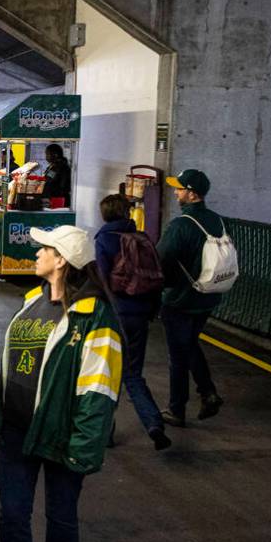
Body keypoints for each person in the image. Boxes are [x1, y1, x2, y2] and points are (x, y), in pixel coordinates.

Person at [0, 225, 122, 542]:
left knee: (61, 517)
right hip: (16, 432)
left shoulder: (95, 319)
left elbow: (98, 392)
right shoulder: (31, 301)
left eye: (43, 248)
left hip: (61, 435)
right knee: (12, 515)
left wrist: (83, 449)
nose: (35, 253)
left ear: (61, 260)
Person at [95, 193, 170, 451]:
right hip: (140, 314)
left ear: (105, 214)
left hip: (116, 314)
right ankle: (153, 423)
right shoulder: (143, 238)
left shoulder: (104, 238)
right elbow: (157, 277)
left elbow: (103, 280)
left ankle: (106, 433)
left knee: (107, 374)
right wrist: (151, 310)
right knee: (133, 373)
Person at [157, 169, 226, 428]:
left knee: (178, 355)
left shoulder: (181, 225)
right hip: (209, 296)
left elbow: (160, 259)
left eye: (179, 188)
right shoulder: (218, 220)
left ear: (192, 193)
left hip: (181, 299)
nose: (176, 192)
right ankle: (208, 393)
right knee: (190, 344)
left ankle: (177, 409)